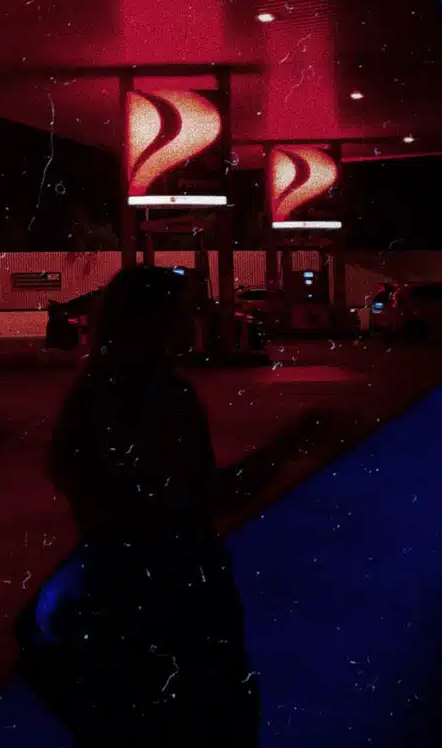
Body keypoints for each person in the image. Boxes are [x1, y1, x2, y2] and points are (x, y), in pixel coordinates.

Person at [17, 266, 261, 746]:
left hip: (120, 593)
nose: (194, 321)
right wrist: (290, 450)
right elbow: (201, 496)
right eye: (184, 310)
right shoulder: (165, 398)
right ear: (153, 321)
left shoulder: (92, 394)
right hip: (176, 602)